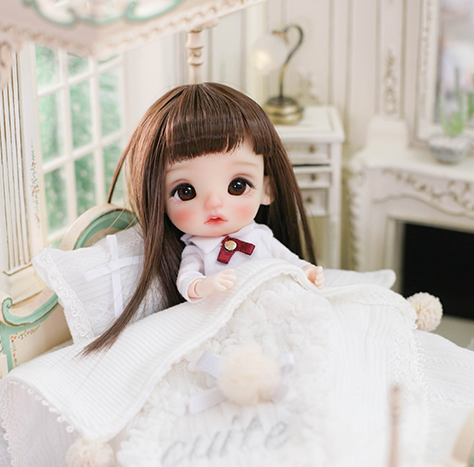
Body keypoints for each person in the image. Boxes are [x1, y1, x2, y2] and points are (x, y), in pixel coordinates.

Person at [87, 82, 323, 351]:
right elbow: (187, 280)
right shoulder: (198, 250)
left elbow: (289, 261)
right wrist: (205, 286)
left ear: (267, 190)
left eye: (238, 186)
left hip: (272, 309)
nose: (214, 204)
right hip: (223, 319)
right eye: (186, 191)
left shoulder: (261, 237)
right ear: (158, 201)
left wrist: (307, 271)